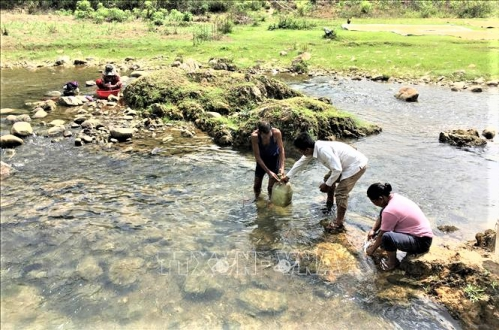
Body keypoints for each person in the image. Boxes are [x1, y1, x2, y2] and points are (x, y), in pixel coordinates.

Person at [281, 132, 367, 233]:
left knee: (341, 193)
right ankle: (330, 203)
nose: (301, 153)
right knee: (328, 178)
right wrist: (287, 177)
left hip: (355, 166)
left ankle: (339, 222)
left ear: (307, 149)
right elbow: (300, 162)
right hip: (344, 164)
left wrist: (327, 185)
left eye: (301, 151)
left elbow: (337, 170)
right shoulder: (314, 148)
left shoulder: (323, 150)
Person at [365, 182, 434, 271]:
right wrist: (373, 230)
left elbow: (382, 234)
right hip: (422, 236)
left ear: (380, 198)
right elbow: (383, 214)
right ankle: (385, 248)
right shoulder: (394, 198)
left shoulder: (389, 210)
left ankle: (392, 262)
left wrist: (372, 250)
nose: (374, 204)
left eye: (374, 201)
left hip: (421, 242)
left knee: (387, 237)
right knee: (384, 217)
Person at [251, 121, 285, 200]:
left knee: (271, 187)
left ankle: (270, 201)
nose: (267, 137)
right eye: (265, 136)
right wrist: (269, 172)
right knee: (257, 185)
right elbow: (257, 157)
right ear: (260, 132)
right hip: (261, 161)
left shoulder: (276, 133)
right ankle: (257, 200)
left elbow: (281, 150)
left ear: (271, 130)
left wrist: (282, 167)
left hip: (274, 160)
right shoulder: (254, 136)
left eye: (269, 135)